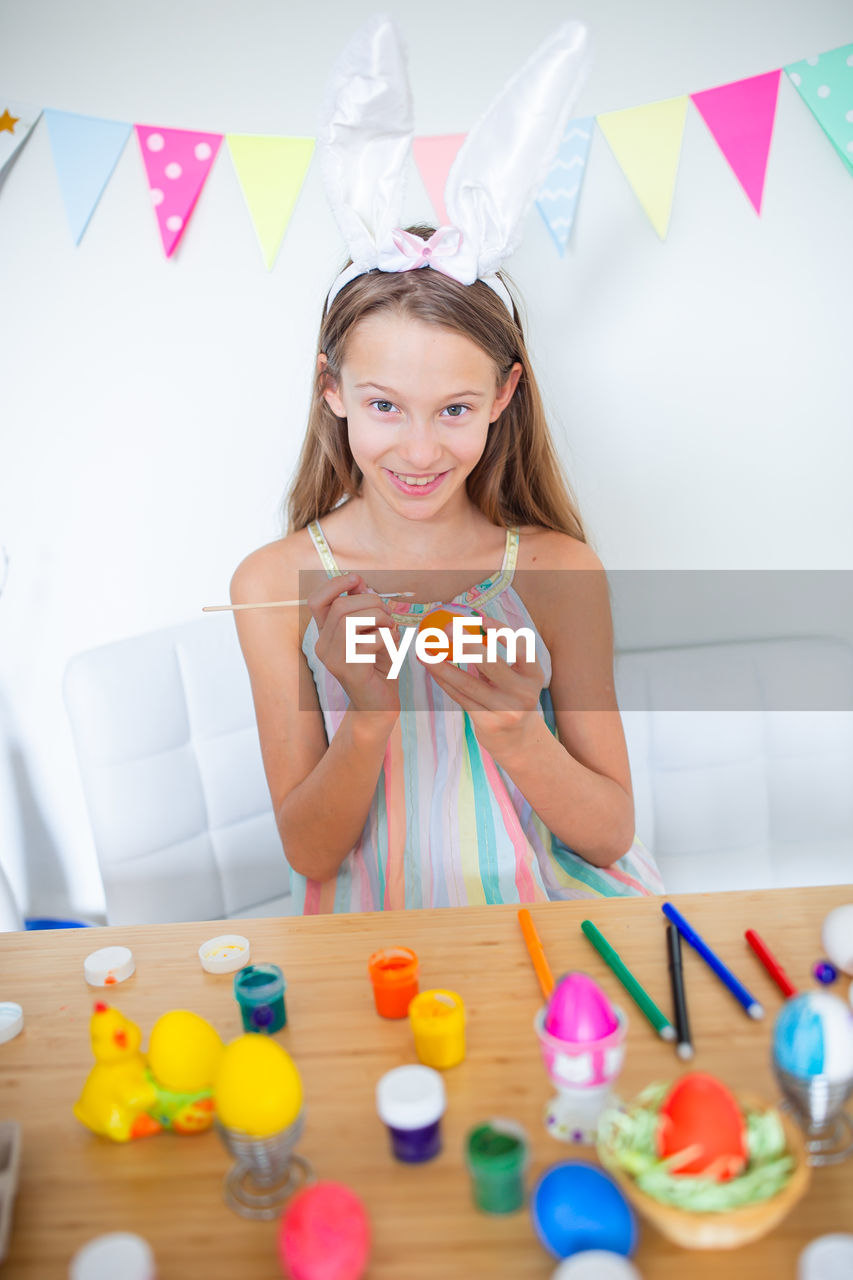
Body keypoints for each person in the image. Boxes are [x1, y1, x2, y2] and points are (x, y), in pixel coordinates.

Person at [229, 16, 664, 913]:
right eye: (385, 404)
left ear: (503, 397)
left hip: (557, 914)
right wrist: (370, 717)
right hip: (375, 937)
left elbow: (610, 833)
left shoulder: (555, 572)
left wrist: (516, 733)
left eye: (455, 410)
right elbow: (309, 851)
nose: (420, 449)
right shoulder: (274, 582)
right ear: (332, 391)